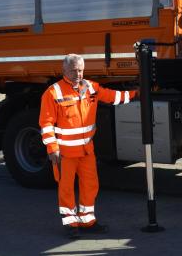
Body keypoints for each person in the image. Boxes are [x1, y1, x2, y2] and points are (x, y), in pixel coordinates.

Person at [39, 54, 138, 239]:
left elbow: (112, 96)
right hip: (65, 153)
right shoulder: (53, 92)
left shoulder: (91, 87)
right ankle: (71, 224)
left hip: (86, 151)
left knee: (90, 185)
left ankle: (87, 221)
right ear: (64, 71)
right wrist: (52, 149)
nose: (78, 74)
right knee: (66, 188)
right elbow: (46, 123)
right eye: (73, 70)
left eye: (80, 70)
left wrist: (135, 94)